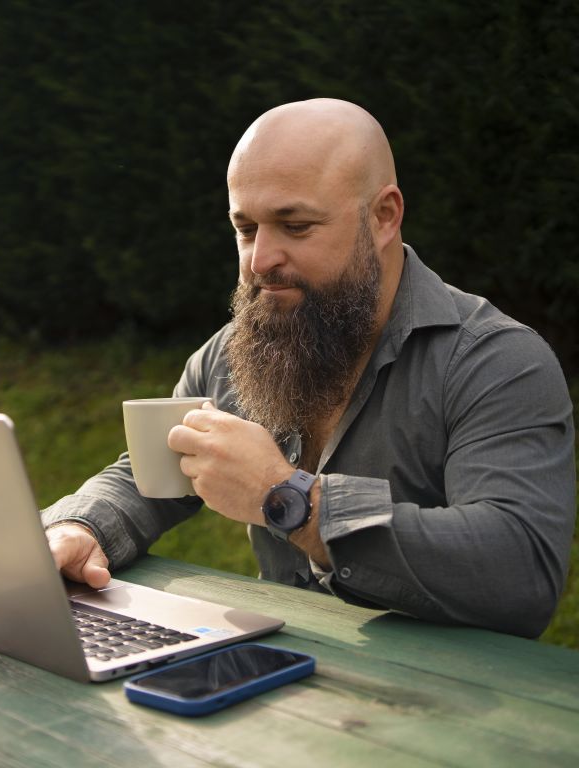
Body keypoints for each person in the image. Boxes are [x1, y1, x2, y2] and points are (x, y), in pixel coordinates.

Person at [41, 98, 576, 638]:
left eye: (294, 225)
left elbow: (519, 570)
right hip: (273, 684)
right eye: (246, 228)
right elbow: (148, 472)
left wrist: (290, 500)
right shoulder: (235, 350)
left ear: (384, 216)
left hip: (454, 703)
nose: (259, 260)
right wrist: (79, 526)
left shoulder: (496, 362)